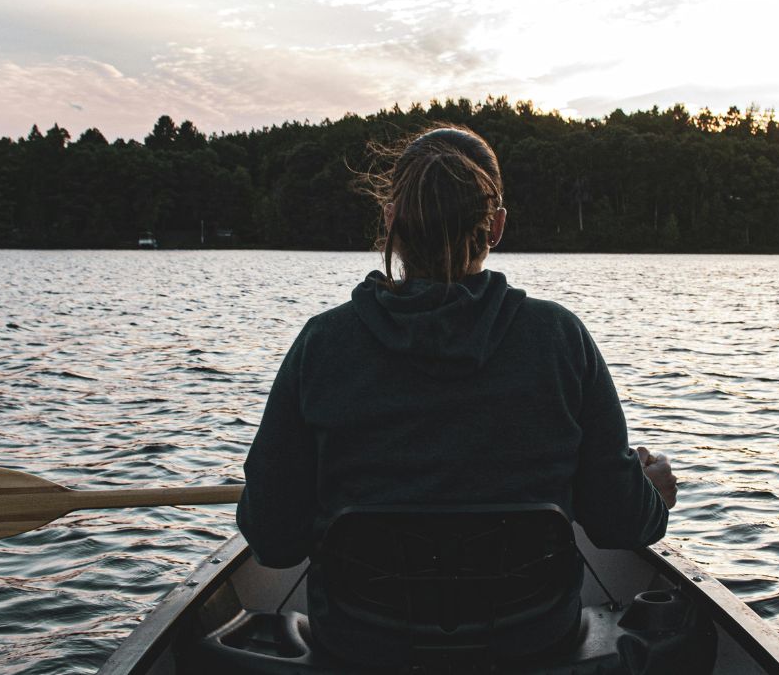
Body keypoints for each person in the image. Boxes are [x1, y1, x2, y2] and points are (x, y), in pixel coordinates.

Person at [236, 124, 677, 666]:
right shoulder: (560, 338)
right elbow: (621, 524)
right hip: (530, 643)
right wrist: (649, 491)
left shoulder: (323, 344)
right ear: (496, 227)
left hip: (362, 647)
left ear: (391, 221)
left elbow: (272, 540)